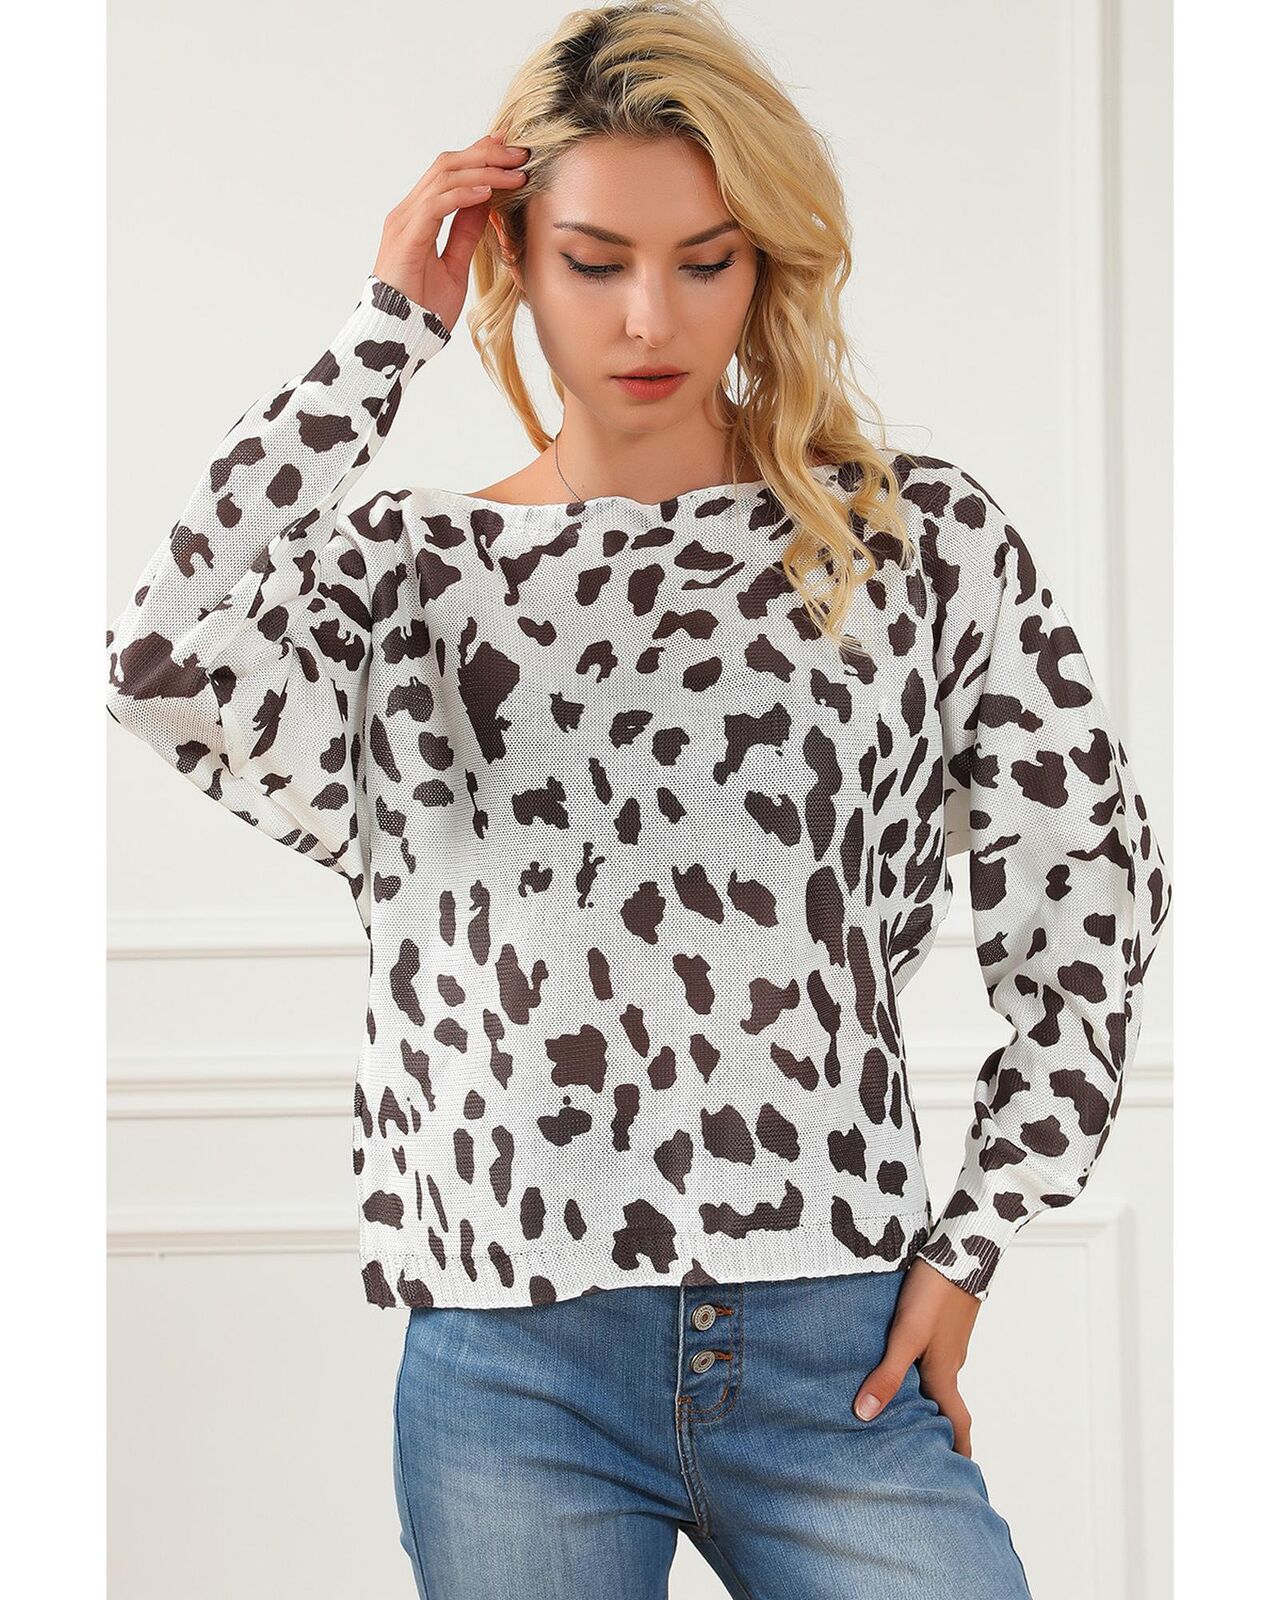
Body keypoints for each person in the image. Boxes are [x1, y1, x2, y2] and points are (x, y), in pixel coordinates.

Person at [104, 2, 1172, 1594]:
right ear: (512, 260)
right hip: (510, 1364)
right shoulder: (411, 575)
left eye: (707, 259)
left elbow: (1091, 889)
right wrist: (383, 330)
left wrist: (973, 1243)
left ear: (767, 264)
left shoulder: (916, 547)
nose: (650, 317)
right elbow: (155, 658)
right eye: (594, 263)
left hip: (835, 1342)